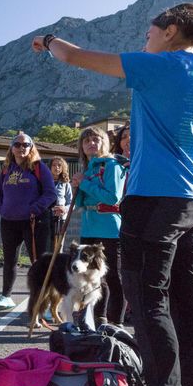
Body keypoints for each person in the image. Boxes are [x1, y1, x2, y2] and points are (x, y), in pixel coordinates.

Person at [32, 2, 193, 386]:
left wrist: (48, 41)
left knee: (149, 303)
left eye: (149, 32)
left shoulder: (159, 65)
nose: (144, 39)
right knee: (188, 300)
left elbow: (73, 55)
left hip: (153, 201)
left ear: (168, 31)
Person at [0, 132, 57, 310]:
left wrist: (33, 209)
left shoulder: (39, 167)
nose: (21, 148)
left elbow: (51, 194)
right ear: (11, 148)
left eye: (25, 145)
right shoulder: (6, 169)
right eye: (17, 144)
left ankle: (47, 304)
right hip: (9, 222)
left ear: (31, 147)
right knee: (9, 261)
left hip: (34, 222)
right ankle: (6, 296)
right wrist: (1, 208)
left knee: (39, 263)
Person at [71, 127, 127, 326]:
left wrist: (85, 183)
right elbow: (80, 204)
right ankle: (97, 317)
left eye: (96, 139)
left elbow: (113, 197)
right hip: (89, 227)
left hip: (109, 229)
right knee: (90, 276)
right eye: (87, 141)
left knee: (112, 275)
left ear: (105, 143)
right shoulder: (88, 169)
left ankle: (116, 321)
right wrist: (76, 187)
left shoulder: (112, 165)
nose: (91, 144)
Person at [49, 157, 72, 253]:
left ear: (63, 168)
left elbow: (71, 203)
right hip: (46, 218)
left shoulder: (65, 184)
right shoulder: (44, 182)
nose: (56, 167)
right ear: (50, 167)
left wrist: (64, 209)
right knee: (46, 245)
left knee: (58, 247)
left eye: (59, 165)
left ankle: (57, 266)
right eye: (54, 165)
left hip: (60, 220)